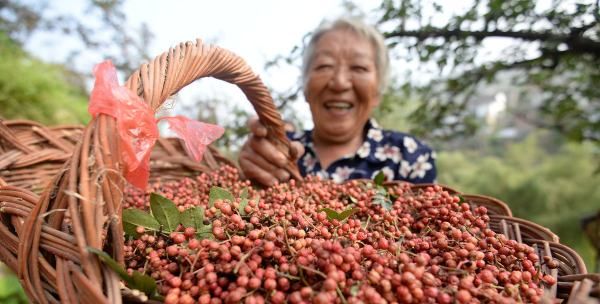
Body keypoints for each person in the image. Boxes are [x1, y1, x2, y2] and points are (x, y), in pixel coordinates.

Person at [239, 16, 436, 186]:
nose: (340, 83)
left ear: (377, 91)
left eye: (359, 68)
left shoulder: (410, 157)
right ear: (305, 87)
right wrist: (255, 164)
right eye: (324, 66)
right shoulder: (283, 152)